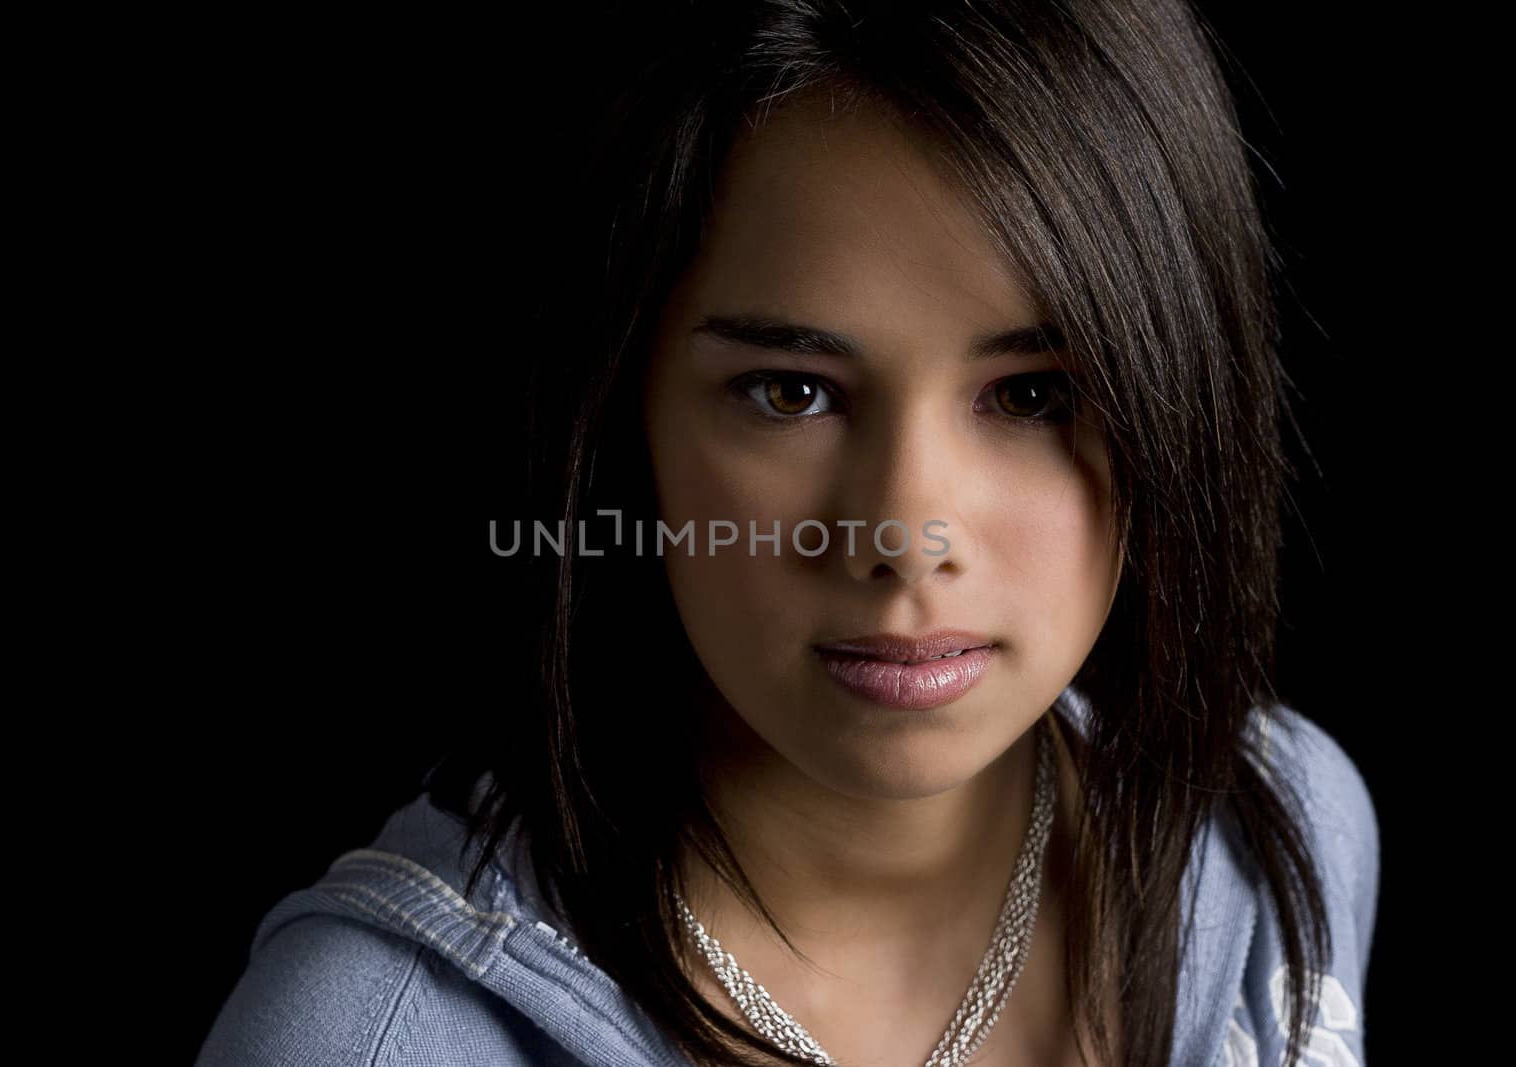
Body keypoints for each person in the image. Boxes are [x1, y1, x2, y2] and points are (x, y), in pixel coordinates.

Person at [196, 2, 1379, 1065]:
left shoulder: (1280, 836)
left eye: (1033, 394)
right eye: (789, 391)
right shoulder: (374, 1037)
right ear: (627, 415)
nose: (905, 537)